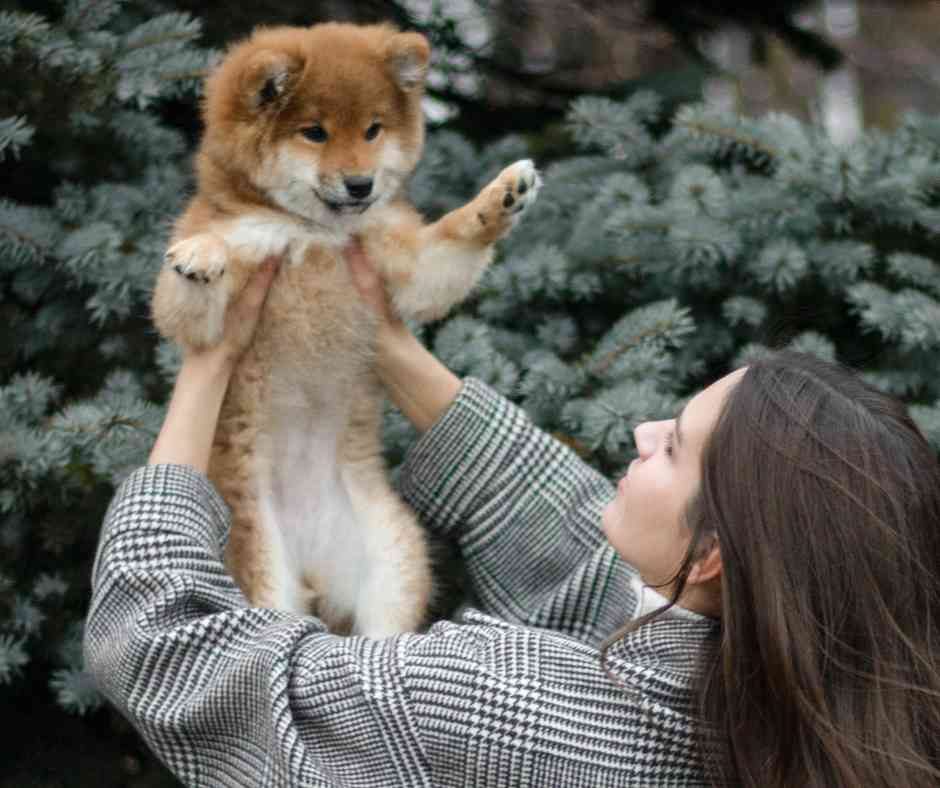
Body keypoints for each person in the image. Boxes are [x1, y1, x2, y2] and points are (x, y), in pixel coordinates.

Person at [83, 246, 940, 788]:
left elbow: (169, 652)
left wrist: (208, 365)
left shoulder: (486, 702)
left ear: (714, 554)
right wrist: (385, 344)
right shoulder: (812, 707)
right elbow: (588, 567)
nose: (643, 432)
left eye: (673, 447)